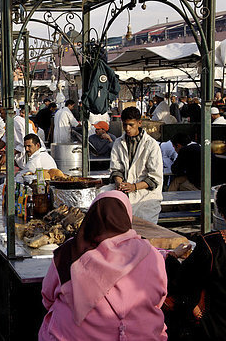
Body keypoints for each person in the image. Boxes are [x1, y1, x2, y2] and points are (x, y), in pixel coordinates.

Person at [39, 191, 168, 340]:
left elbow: (47, 297)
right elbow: (159, 298)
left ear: (91, 217)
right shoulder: (151, 253)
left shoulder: (70, 252)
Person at [164, 184, 226, 340]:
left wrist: (171, 258)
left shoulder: (210, 245)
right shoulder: (210, 245)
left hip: (214, 328)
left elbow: (183, 281)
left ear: (221, 211)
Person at [109, 106, 163, 223]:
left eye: (131, 125)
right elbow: (116, 169)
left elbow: (155, 178)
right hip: (124, 193)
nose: (127, 129)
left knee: (144, 232)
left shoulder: (151, 145)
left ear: (139, 123)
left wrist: (133, 187)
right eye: (125, 125)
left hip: (146, 196)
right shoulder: (118, 143)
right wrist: (119, 183)